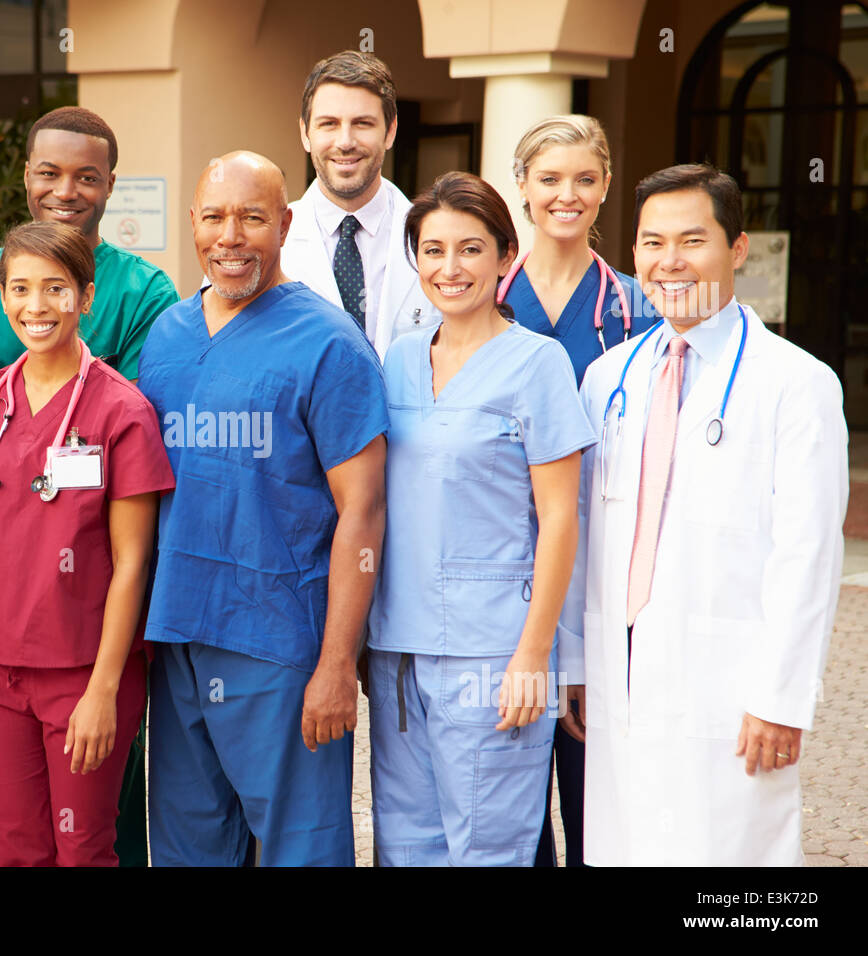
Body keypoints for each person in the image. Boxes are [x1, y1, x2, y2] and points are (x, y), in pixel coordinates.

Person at [568, 164, 847, 865]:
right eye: (651, 242)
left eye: (692, 240)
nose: (670, 261)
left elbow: (807, 554)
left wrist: (782, 695)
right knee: (625, 846)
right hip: (622, 676)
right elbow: (586, 537)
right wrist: (574, 660)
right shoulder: (610, 379)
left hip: (731, 689)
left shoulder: (797, 384)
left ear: (739, 248)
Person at [138, 151, 388, 867]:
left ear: (283, 224)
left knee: (298, 849)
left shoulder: (328, 342)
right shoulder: (168, 335)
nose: (231, 236)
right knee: (189, 848)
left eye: (252, 217)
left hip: (279, 641)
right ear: (192, 224)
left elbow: (363, 513)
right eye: (215, 217)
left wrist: (338, 663)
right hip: (179, 633)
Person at [367, 171, 594, 866]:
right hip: (397, 655)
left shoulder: (538, 362)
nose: (450, 268)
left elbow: (560, 519)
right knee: (406, 846)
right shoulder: (399, 360)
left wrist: (535, 656)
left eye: (470, 249)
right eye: (432, 251)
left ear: (504, 256)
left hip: (495, 652)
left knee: (488, 849)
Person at [0, 221, 173, 866]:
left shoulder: (122, 411)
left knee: (83, 848)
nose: (35, 306)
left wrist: (103, 690)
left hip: (84, 672)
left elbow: (133, 563)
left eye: (55, 288)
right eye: (20, 289)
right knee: (13, 849)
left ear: (86, 297)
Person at [502, 114, 659, 866]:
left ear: (604, 193)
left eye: (585, 181)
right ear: (522, 188)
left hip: (604, 572)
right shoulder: (479, 301)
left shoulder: (639, 311)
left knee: (596, 796)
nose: (567, 195)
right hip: (503, 578)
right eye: (550, 179)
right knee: (512, 804)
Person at [0, 106, 179, 380]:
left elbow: (138, 412)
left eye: (87, 178)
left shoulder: (145, 292)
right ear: (27, 176)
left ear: (110, 185)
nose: (65, 193)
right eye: (49, 174)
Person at [281, 51, 434, 358]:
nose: (345, 141)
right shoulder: (268, 241)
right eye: (329, 124)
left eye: (362, 123)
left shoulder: (432, 237)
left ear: (390, 131)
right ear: (305, 133)